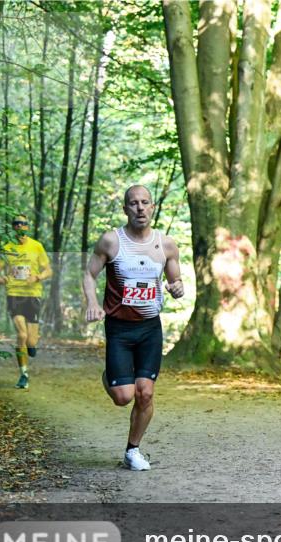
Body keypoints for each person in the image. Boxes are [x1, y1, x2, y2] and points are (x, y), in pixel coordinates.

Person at [82, 185, 184, 471]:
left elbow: (176, 282)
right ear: (125, 208)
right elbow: (89, 274)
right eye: (133, 203)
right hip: (119, 328)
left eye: (144, 202)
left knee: (145, 393)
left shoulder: (166, 245)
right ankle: (113, 376)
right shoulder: (111, 242)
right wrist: (92, 303)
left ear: (152, 207)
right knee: (123, 397)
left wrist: (177, 288)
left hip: (150, 329)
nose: (140, 208)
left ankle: (132, 451)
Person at [0, 215, 51, 389]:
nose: (20, 226)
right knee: (22, 335)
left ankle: (32, 345)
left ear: (27, 227)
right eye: (16, 223)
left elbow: (48, 270)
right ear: (13, 227)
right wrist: (1, 279)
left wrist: (37, 277)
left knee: (31, 341)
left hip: (33, 294)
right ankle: (24, 374)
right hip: (14, 294)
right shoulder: (7, 247)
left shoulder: (36, 246)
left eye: (23, 223)